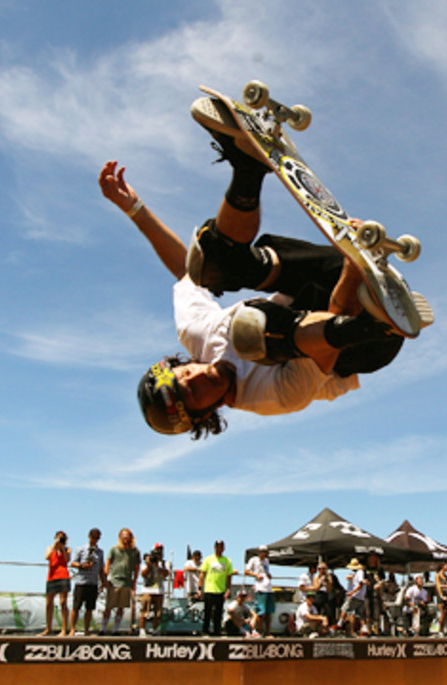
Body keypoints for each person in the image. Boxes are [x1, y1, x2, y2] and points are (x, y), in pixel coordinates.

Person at [100, 102, 425, 439]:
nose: (196, 379)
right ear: (208, 413)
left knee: (214, 268)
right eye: (193, 394)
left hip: (324, 281)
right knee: (255, 335)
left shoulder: (198, 334)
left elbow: (186, 273)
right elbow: (334, 322)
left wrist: (134, 209)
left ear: (182, 365)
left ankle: (247, 166)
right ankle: (377, 319)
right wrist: (355, 267)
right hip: (364, 340)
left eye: (185, 376)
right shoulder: (274, 397)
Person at [104, 528, 141, 635]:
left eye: (127, 535)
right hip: (114, 580)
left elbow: (137, 567)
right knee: (109, 606)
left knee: (121, 606)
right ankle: (103, 628)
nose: (125, 537)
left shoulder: (135, 551)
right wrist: (105, 578)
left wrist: (134, 581)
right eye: (123, 535)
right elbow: (108, 563)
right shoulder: (114, 549)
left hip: (126, 582)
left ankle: (115, 629)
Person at [69, 528, 107, 635]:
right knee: (76, 607)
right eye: (94, 537)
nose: (95, 540)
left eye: (97, 538)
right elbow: (73, 563)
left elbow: (101, 569)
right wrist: (82, 565)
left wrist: (103, 582)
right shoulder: (80, 549)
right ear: (89, 537)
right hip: (81, 582)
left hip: (93, 583)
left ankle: (86, 629)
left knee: (89, 608)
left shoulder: (100, 552)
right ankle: (72, 628)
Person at [200, 540, 235, 636]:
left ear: (224, 548)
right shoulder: (208, 559)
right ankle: (205, 631)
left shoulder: (227, 561)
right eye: (217, 547)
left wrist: (228, 589)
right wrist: (200, 589)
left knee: (218, 613)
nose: (219, 549)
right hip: (209, 589)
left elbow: (229, 576)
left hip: (220, 590)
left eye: (221, 547)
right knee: (208, 612)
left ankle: (217, 631)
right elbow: (202, 574)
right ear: (214, 548)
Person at [43, 531, 72, 636]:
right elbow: (47, 557)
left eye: (62, 538)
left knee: (63, 602)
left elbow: (67, 560)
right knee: (48, 603)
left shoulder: (67, 549)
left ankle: (64, 629)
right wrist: (55, 547)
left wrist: (62, 549)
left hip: (63, 576)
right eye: (59, 538)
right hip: (52, 577)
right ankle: (48, 628)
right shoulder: (50, 548)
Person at [138, 543, 170, 637]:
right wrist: (149, 565)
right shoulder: (147, 561)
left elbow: (166, 574)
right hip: (147, 590)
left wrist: (158, 566)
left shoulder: (164, 563)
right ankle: (142, 630)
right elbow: (143, 574)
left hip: (159, 590)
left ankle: (155, 629)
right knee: (144, 610)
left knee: (158, 613)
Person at [245, 545, 274, 636]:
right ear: (258, 552)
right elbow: (246, 571)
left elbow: (265, 572)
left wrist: (268, 575)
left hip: (268, 587)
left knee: (269, 611)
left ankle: (268, 632)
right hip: (260, 588)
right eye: (262, 552)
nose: (263, 554)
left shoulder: (266, 561)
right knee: (261, 611)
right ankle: (261, 631)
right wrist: (255, 575)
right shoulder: (253, 560)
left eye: (265, 552)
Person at [341, 558, 368, 636]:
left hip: (355, 596)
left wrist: (351, 592)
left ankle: (340, 624)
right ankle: (364, 628)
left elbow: (360, 584)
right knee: (359, 614)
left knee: (345, 609)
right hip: (360, 597)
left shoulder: (360, 573)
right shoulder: (355, 573)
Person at [364, 552, 387, 635]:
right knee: (368, 612)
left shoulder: (380, 569)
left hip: (376, 593)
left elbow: (384, 580)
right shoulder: (365, 569)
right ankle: (368, 630)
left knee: (376, 612)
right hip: (367, 593)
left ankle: (376, 630)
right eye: (370, 558)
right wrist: (364, 581)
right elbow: (361, 578)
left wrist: (379, 583)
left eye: (374, 558)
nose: (372, 560)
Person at [434, 562, 447, 635]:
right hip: (441, 596)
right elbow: (438, 586)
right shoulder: (438, 575)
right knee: (442, 613)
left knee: (445, 613)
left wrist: (444, 586)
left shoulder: (446, 576)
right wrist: (441, 596)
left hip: (446, 594)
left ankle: (443, 629)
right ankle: (440, 630)